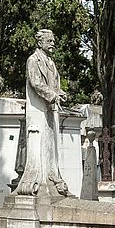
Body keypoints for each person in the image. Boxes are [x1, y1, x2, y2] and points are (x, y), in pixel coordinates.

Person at [15, 29, 71, 197]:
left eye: (53, 40)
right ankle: (40, 178)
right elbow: (36, 82)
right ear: (40, 43)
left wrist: (60, 93)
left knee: (51, 147)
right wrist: (53, 95)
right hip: (39, 110)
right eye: (50, 41)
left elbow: (54, 84)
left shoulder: (51, 63)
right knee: (40, 146)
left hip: (51, 110)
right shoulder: (33, 60)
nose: (53, 44)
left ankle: (53, 175)